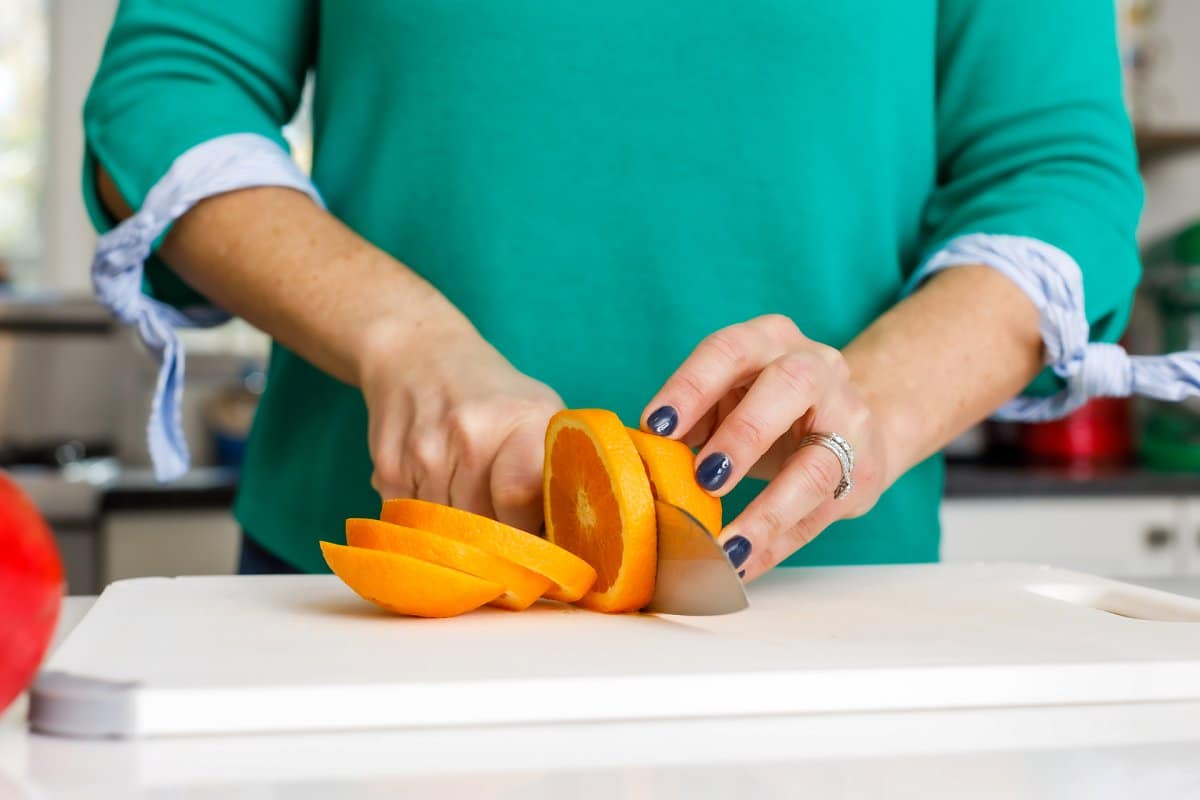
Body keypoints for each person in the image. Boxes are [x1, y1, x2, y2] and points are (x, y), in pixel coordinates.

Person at [84, 1, 1163, 580]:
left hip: (808, 601)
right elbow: (170, 87)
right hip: (393, 572)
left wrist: (873, 400)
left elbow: (1053, 174)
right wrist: (400, 337)